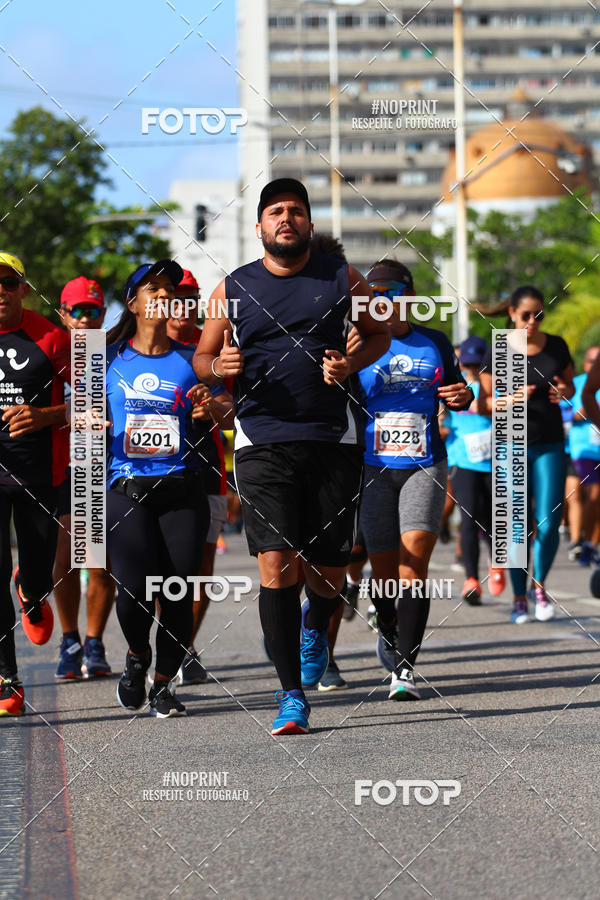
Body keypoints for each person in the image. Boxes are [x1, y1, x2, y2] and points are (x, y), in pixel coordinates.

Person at [194, 178, 390, 734]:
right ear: (260, 226)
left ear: (308, 222)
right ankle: (291, 695)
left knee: (328, 574)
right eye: (276, 211)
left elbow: (379, 335)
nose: (287, 219)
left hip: (333, 437)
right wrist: (219, 370)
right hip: (261, 441)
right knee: (278, 566)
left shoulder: (341, 278)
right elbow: (203, 358)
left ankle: (314, 625)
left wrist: (350, 365)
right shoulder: (232, 288)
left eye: (296, 211)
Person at [355, 260, 472, 700]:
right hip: (372, 468)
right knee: (383, 572)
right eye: (375, 291)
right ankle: (387, 624)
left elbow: (459, 391)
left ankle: (404, 669)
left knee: (413, 564)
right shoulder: (358, 341)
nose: (384, 299)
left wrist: (464, 395)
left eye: (393, 291)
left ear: (409, 295)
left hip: (425, 463)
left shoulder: (435, 341)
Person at [105, 259, 210, 718]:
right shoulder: (106, 359)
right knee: (132, 591)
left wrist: (213, 406)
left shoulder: (192, 360)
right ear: (133, 302)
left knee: (176, 588)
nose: (164, 295)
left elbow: (225, 409)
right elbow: (76, 419)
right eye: (153, 288)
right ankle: (136, 656)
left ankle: (164, 684)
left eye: (169, 288)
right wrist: (83, 423)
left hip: (182, 488)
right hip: (123, 486)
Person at [0, 252, 70, 716]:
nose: (0, 291)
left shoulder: (54, 338)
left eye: (9, 282)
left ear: (24, 288)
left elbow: (94, 402)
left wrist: (45, 415)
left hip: (40, 474)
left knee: (42, 572)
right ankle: (8, 676)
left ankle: (32, 587)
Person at [479, 285, 574, 623]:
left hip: (548, 443)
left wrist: (563, 390)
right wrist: (513, 399)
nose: (532, 321)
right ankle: (519, 597)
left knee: (548, 522)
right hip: (510, 444)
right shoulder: (500, 348)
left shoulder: (557, 346)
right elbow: (484, 404)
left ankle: (539, 587)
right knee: (515, 526)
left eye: (539, 315)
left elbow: (570, 385)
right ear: (511, 314)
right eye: (525, 315)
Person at [166, 268, 233, 685]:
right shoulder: (139, 347)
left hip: (206, 469)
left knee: (200, 572)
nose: (182, 305)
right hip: (153, 471)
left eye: (190, 297)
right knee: (164, 568)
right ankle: (169, 645)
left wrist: (214, 409)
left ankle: (183, 645)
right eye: (174, 296)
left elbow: (232, 412)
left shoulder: (212, 347)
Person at [53, 277, 115, 679]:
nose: (85, 319)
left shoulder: (115, 355)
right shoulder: (50, 353)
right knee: (64, 561)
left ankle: (94, 641)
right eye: (77, 311)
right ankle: (69, 637)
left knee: (101, 561)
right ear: (63, 314)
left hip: (105, 466)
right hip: (62, 467)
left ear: (103, 314)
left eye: (93, 311)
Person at [444, 336, 505, 604]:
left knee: (492, 519)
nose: (470, 369)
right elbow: (440, 417)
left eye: (475, 365)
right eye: (466, 364)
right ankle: (471, 579)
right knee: (468, 519)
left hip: (495, 462)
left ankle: (496, 564)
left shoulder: (496, 387)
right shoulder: (454, 385)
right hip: (463, 461)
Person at [567, 346, 600, 566]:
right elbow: (563, 411)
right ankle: (577, 540)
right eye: (592, 361)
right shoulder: (579, 384)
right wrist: (580, 413)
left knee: (596, 498)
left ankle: (591, 545)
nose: (595, 365)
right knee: (582, 495)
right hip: (581, 448)